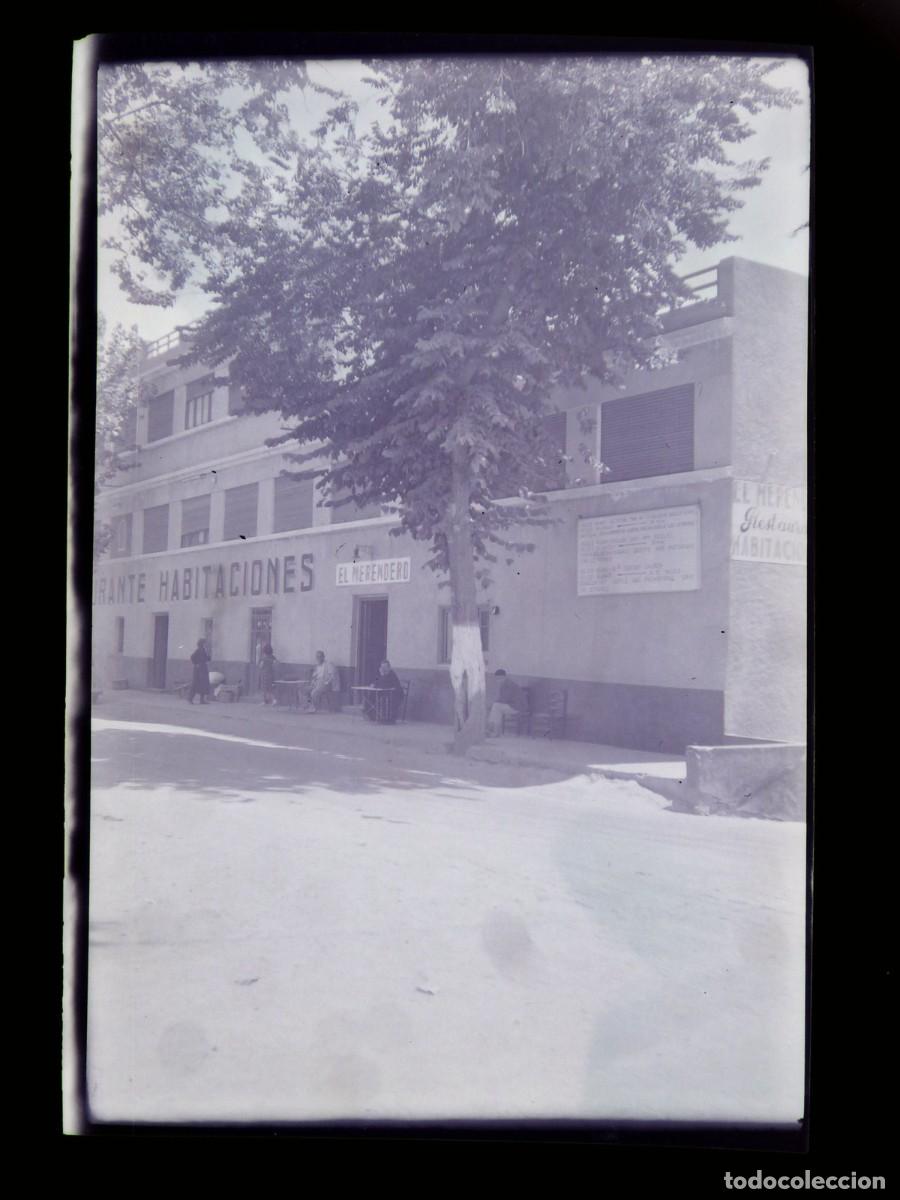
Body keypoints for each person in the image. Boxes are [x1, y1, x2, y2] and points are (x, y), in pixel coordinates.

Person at [487, 668, 524, 736]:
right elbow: (502, 699)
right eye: (497, 678)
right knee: (496, 707)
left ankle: (493, 730)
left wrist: (493, 703)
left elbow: (504, 699)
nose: (498, 680)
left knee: (496, 706)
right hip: (514, 705)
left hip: (517, 707)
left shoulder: (508, 684)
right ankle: (495, 731)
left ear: (504, 677)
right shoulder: (505, 683)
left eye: (499, 678)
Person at [187, 639, 211, 704]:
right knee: (195, 683)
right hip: (198, 670)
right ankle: (190, 698)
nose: (206, 644)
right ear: (202, 644)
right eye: (205, 643)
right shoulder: (198, 650)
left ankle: (202, 700)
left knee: (203, 684)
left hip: (203, 668)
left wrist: (208, 656)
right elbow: (192, 657)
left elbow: (207, 659)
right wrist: (196, 664)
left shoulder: (204, 650)